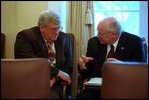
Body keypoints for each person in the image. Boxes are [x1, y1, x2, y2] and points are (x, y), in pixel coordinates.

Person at [77, 17, 146, 99]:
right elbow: (87, 72)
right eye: (98, 32)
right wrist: (82, 66)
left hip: (123, 88)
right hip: (96, 89)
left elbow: (140, 72)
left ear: (113, 34)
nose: (98, 36)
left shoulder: (134, 42)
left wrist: (122, 66)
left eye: (101, 34)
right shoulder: (94, 42)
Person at [14, 10, 73, 99]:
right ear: (42, 27)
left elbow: (69, 64)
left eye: (59, 28)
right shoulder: (26, 37)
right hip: (33, 81)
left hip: (57, 83)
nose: (57, 32)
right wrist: (57, 72)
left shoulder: (64, 38)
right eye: (54, 29)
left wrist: (55, 79)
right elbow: (28, 63)